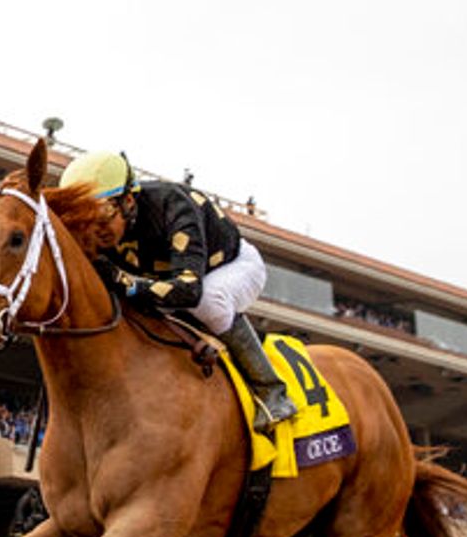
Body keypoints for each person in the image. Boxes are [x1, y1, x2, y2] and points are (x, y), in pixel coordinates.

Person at [56, 150, 295, 427]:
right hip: (163, 279)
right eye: (84, 221)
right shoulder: (107, 227)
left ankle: (271, 390)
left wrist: (124, 281)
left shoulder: (173, 206)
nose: (95, 231)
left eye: (102, 216)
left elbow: (188, 290)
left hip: (228, 268)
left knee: (209, 300)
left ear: (128, 201)